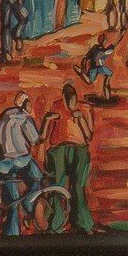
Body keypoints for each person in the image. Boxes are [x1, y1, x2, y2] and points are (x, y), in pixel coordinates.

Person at [40, 83, 97, 234]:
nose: (68, 104)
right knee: (57, 186)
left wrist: (81, 118)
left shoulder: (85, 108)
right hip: (57, 149)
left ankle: (82, 222)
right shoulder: (56, 107)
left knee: (78, 186)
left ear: (75, 98)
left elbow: (89, 135)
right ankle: (56, 223)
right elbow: (45, 134)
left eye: (71, 100)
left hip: (79, 149)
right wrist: (48, 119)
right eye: (66, 99)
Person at [0, 91, 44, 235]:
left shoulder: (2, 118)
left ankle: (11, 233)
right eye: (29, 103)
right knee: (37, 178)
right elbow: (35, 139)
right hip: (20, 160)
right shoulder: (24, 117)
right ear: (25, 104)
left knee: (11, 201)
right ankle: (28, 202)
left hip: (2, 163)